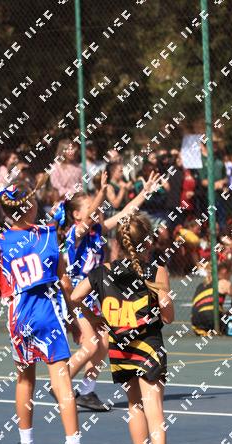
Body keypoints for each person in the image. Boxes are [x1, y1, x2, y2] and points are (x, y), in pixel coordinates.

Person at [0, 178, 101, 444]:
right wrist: (73, 320)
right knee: (62, 383)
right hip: (48, 312)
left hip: (19, 315)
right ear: (30, 206)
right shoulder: (48, 235)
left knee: (25, 381)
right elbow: (65, 282)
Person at [71, 211, 176, 444]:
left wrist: (93, 317)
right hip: (148, 345)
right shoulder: (156, 271)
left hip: (121, 348)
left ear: (117, 242)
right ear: (148, 243)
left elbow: (75, 296)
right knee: (153, 403)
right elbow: (168, 317)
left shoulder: (102, 271)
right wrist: (163, 297)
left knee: (134, 405)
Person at [61, 169, 163, 411]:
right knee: (91, 345)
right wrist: (101, 192)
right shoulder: (74, 234)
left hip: (95, 294)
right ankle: (60, 384)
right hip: (77, 295)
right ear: (76, 214)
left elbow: (125, 213)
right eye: (91, 207)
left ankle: (86, 391)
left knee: (104, 345)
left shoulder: (98, 230)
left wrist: (144, 192)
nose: (98, 209)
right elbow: (88, 219)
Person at [191, 260, 232, 335]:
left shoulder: (200, 286)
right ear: (224, 271)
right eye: (230, 273)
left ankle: (209, 331)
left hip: (196, 324)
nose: (230, 276)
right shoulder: (224, 283)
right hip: (213, 321)